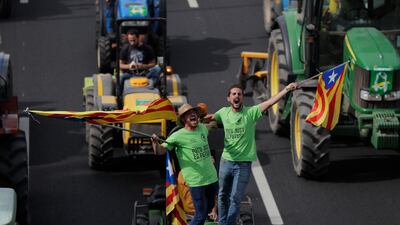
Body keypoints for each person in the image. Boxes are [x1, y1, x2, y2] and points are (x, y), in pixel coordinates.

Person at [204, 82, 297, 225]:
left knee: (235, 197)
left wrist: (286, 89)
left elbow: (270, 101)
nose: (237, 96)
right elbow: (210, 118)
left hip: (243, 165)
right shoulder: (223, 113)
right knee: (222, 195)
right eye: (233, 94)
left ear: (242, 98)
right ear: (229, 99)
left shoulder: (251, 113)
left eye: (239, 94)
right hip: (226, 162)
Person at [152, 103, 218, 225]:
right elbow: (160, 151)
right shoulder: (177, 136)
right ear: (183, 119)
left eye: (194, 112)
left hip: (212, 179)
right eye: (188, 114)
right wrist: (155, 143)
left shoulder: (203, 128)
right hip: (196, 182)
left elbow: (213, 123)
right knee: (201, 215)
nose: (192, 114)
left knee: (209, 208)